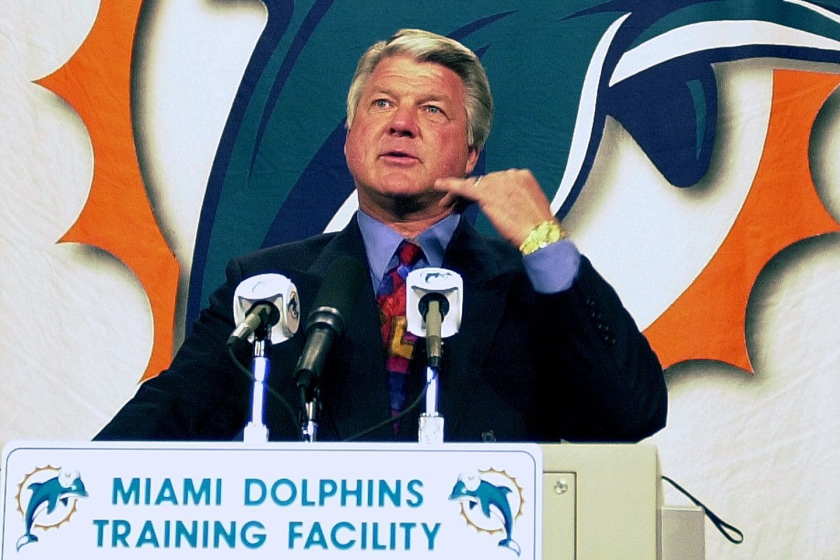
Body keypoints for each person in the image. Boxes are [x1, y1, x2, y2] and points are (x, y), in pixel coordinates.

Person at [96, 29, 666, 443]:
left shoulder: (524, 287)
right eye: (383, 103)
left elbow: (630, 414)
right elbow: (168, 414)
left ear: (471, 153)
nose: (401, 122)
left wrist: (547, 245)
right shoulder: (268, 286)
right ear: (351, 139)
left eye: (433, 110)